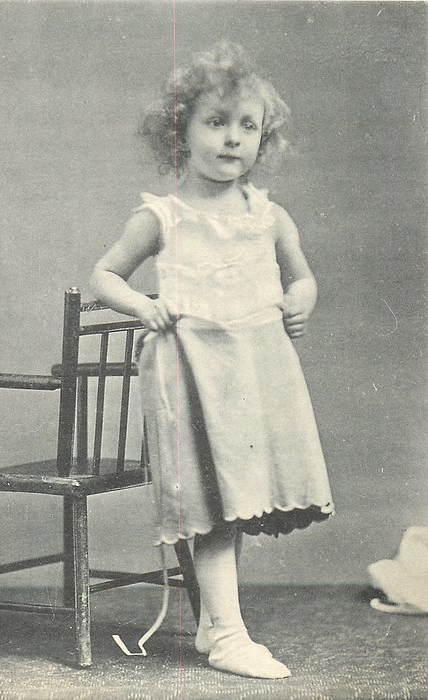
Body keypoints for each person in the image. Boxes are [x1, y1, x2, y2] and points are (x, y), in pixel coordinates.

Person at [91, 41, 334, 679]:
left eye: (247, 126)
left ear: (264, 140)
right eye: (216, 122)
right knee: (214, 504)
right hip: (192, 374)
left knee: (240, 496)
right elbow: (105, 275)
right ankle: (228, 634)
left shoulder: (270, 217)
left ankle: (211, 624)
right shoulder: (163, 216)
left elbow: (303, 278)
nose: (232, 138)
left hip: (256, 370)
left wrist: (300, 301)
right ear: (181, 132)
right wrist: (143, 306)